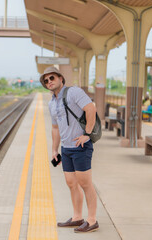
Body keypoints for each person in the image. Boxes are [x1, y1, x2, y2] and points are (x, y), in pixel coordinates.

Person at [40, 66, 99, 233]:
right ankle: (77, 217)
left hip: (80, 146)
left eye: (52, 78)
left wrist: (87, 134)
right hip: (66, 149)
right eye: (46, 80)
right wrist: (54, 150)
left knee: (85, 183)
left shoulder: (74, 92)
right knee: (71, 183)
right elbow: (55, 128)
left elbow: (91, 109)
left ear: (60, 78)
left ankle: (92, 220)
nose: (49, 82)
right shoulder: (51, 103)